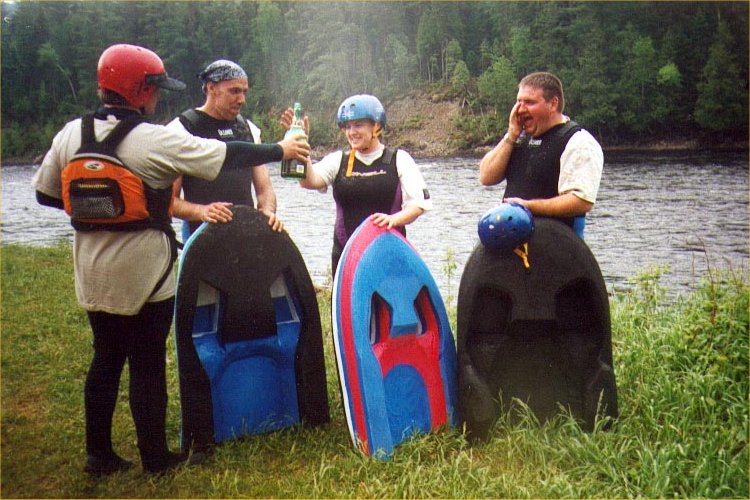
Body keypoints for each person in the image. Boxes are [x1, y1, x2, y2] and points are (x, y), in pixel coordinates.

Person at [32, 43, 308, 476]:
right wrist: (280, 150)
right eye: (155, 88)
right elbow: (224, 156)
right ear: (139, 90)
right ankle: (157, 460)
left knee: (105, 356)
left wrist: (100, 209)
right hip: (145, 268)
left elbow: (46, 194)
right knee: (146, 361)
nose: (158, 96)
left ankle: (98, 454)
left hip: (91, 268)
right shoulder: (154, 139)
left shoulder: (73, 133)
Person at [281, 94, 433, 274]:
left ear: (376, 126)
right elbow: (309, 181)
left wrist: (393, 220)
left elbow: (418, 205)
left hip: (389, 253)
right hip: (347, 257)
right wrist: (302, 147)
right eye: (347, 126)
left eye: (359, 125)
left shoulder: (399, 159)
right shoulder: (339, 160)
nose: (351, 132)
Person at [478, 71, 603, 237]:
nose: (520, 109)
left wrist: (528, 207)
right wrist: (511, 135)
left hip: (558, 248)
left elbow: (581, 201)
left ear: (553, 104)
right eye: (518, 102)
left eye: (529, 102)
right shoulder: (518, 138)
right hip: (514, 246)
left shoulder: (578, 141)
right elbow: (486, 177)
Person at [168, 59, 283, 239]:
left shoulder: (248, 129)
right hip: (201, 235)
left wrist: (267, 211)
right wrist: (202, 211)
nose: (242, 99)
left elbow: (264, 189)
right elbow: (168, 200)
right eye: (234, 91)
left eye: (244, 92)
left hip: (246, 234)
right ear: (211, 88)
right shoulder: (182, 129)